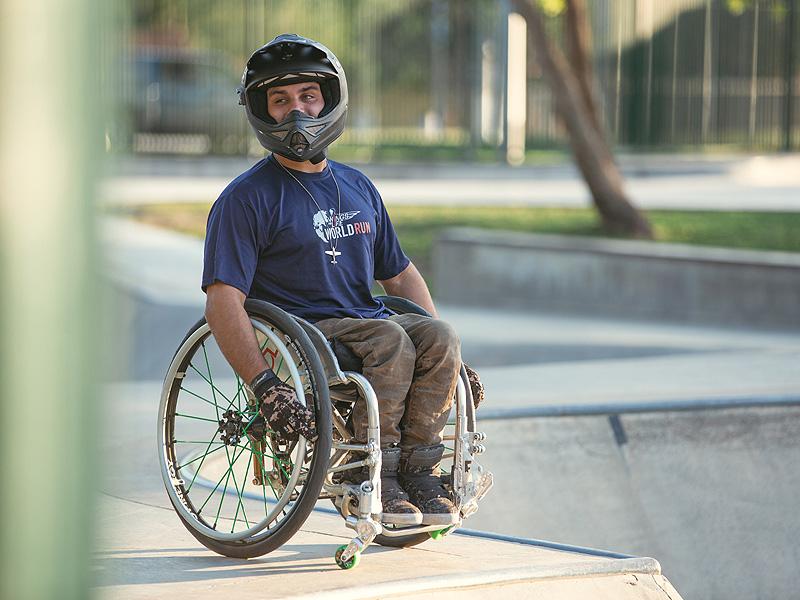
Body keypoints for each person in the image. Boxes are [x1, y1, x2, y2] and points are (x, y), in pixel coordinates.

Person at [202, 34, 463, 526]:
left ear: (330, 100)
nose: (296, 112)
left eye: (308, 96)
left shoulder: (358, 185)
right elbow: (222, 304)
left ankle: (420, 472)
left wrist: (449, 362)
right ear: (263, 111)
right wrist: (264, 386)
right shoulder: (245, 199)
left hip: (365, 323)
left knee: (440, 335)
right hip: (306, 331)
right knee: (389, 339)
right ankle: (372, 474)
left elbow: (401, 276)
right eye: (280, 100)